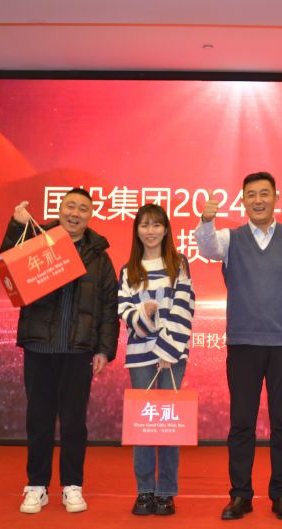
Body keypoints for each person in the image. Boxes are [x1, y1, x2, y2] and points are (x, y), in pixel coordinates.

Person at [195, 172, 282, 521]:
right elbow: (206, 247)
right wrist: (206, 220)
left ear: (276, 198)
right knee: (241, 423)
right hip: (244, 343)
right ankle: (240, 495)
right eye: (251, 194)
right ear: (243, 200)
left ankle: (281, 495)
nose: (258, 200)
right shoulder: (229, 238)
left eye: (265, 193)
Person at [0, 188, 119, 515]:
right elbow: (7, 263)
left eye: (83, 208)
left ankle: (72, 485)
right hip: (39, 346)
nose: (75, 213)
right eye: (70, 206)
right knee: (38, 419)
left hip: (78, 350)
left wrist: (104, 350)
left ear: (90, 215)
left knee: (74, 422)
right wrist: (17, 225)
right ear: (60, 208)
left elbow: (109, 306)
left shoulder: (99, 256)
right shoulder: (38, 239)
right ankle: (36, 485)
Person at [118, 204, 195, 516]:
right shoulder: (128, 270)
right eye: (144, 225)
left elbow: (184, 306)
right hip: (139, 357)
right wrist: (143, 314)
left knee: (169, 425)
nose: (150, 231)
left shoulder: (179, 263)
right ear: (137, 231)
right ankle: (145, 490)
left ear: (166, 230)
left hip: (172, 356)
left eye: (156, 225)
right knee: (144, 425)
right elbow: (124, 310)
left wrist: (166, 350)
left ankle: (166, 491)